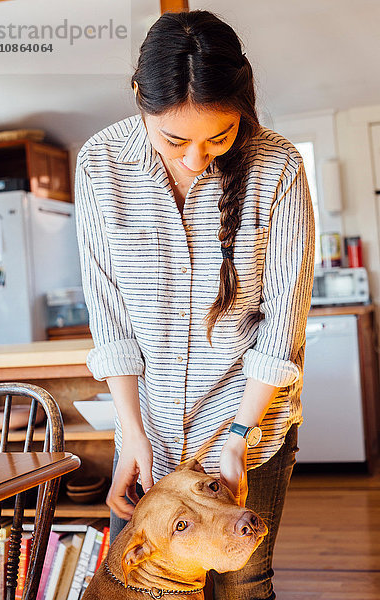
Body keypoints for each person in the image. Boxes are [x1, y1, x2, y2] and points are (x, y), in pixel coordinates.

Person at [74, 9, 315, 600]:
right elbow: (111, 320)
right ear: (139, 99)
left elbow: (281, 328)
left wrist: (237, 435)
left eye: (220, 137)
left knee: (243, 584)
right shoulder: (100, 165)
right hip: (150, 438)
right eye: (174, 139)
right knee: (137, 588)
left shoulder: (278, 167)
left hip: (247, 434)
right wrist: (132, 433)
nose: (194, 158)